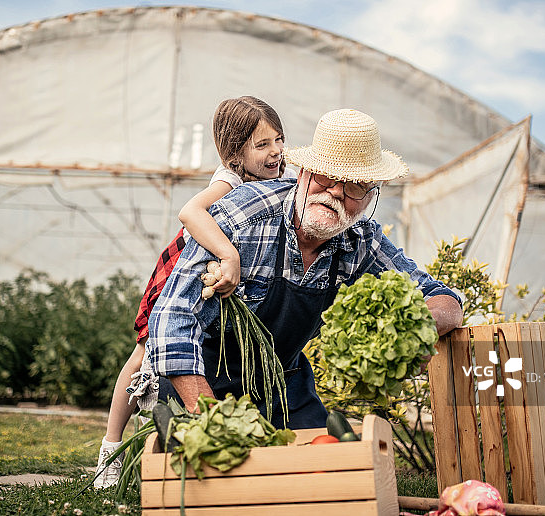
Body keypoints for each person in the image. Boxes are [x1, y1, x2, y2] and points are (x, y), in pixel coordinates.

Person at [146, 108, 463, 430]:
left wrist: (416, 332)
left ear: (370, 197)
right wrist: (210, 418)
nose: (336, 192)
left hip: (283, 384)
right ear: (303, 174)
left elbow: (442, 299)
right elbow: (173, 316)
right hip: (203, 380)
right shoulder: (245, 214)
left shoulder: (362, 241)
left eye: (355, 187)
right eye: (327, 176)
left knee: (324, 472)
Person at [93, 96, 294, 489]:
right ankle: (109, 450)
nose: (275, 151)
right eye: (262, 144)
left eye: (279, 139)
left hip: (215, 273)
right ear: (236, 152)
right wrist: (228, 254)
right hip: (187, 268)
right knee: (141, 356)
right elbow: (190, 212)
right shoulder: (229, 179)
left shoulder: (278, 173)